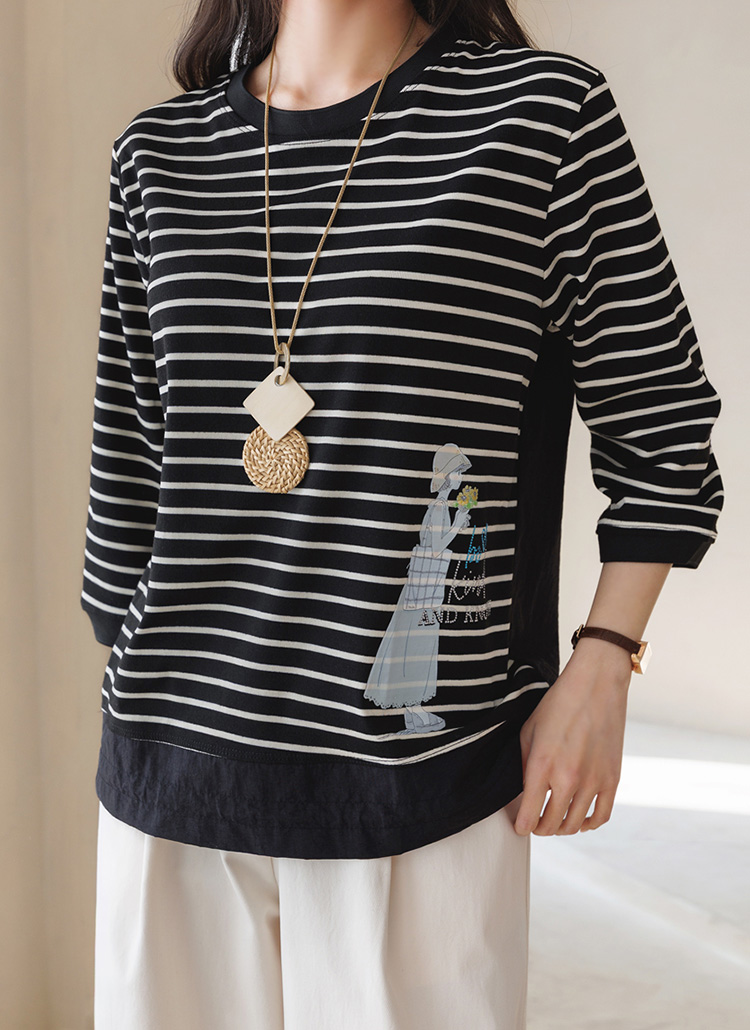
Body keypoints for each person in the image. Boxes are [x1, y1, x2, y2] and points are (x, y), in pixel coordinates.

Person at [81, 1, 724, 1027]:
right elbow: (129, 476)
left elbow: (664, 427)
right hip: (173, 765)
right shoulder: (157, 156)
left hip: (419, 774)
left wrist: (605, 661)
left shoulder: (541, 118)